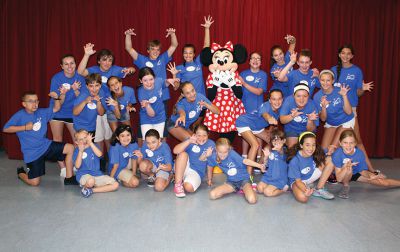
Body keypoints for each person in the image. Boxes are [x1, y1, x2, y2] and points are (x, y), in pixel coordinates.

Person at [3, 91, 78, 186]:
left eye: (36, 101)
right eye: (31, 101)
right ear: (24, 104)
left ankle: (69, 178)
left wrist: (56, 98)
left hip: (45, 146)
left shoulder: (42, 112)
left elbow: (56, 108)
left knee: (70, 148)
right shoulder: (19, 115)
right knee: (34, 183)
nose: (34, 104)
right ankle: (21, 173)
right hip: (32, 153)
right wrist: (24, 127)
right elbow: (6, 129)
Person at [77, 45, 135, 154]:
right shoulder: (93, 70)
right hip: (98, 108)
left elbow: (132, 69)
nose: (107, 63)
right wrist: (86, 55)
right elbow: (80, 72)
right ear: (99, 61)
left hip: (112, 108)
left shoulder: (115, 69)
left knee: (111, 136)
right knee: (99, 137)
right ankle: (101, 161)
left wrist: (130, 70)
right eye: (104, 60)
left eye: (110, 60)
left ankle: (112, 159)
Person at [125, 26, 178, 140]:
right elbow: (129, 49)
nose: (155, 51)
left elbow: (174, 45)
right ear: (148, 50)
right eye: (152, 49)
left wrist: (172, 34)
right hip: (147, 97)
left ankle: (161, 150)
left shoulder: (162, 58)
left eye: (158, 49)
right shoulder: (142, 60)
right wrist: (128, 35)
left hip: (162, 97)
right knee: (144, 128)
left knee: (162, 129)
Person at [331, 44, 375, 173]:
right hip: (335, 110)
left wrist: (363, 89)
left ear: (352, 56)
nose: (345, 56)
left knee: (356, 140)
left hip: (351, 110)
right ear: (339, 55)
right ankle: (334, 171)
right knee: (334, 142)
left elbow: (358, 93)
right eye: (343, 53)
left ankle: (370, 168)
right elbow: (327, 87)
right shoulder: (333, 70)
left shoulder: (356, 71)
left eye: (348, 53)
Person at [331, 130, 400, 199]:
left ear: (355, 143)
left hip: (356, 173)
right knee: (349, 169)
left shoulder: (359, 154)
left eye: (351, 143)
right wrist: (345, 167)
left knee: (383, 183)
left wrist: (371, 176)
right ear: (340, 143)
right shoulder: (337, 154)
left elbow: (362, 171)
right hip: (342, 174)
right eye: (345, 143)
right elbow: (339, 179)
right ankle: (346, 186)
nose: (348, 146)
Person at [48, 54, 85, 176]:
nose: (70, 66)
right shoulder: (56, 78)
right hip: (56, 111)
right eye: (66, 64)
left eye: (72, 63)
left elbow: (81, 99)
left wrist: (75, 90)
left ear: (75, 64)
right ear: (62, 66)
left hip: (72, 112)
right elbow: (59, 102)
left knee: (77, 140)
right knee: (57, 140)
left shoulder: (80, 78)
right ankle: (63, 168)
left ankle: (75, 164)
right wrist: (61, 94)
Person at [235, 89, 283, 176]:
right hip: (244, 122)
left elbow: (274, 121)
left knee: (274, 143)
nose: (277, 102)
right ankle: (248, 176)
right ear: (269, 100)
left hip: (257, 127)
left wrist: (271, 128)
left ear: (282, 99)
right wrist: (269, 119)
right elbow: (265, 114)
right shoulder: (266, 106)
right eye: (274, 99)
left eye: (279, 99)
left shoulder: (280, 109)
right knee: (255, 145)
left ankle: (260, 165)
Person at [205, 138, 264, 204]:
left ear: (229, 149)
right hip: (231, 182)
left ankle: (248, 188)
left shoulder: (232, 154)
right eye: (220, 152)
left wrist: (259, 165)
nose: (222, 155)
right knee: (212, 195)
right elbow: (209, 165)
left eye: (225, 152)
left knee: (252, 200)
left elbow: (245, 161)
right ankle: (237, 189)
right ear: (216, 149)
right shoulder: (214, 157)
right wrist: (209, 179)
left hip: (243, 180)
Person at [167, 15, 214, 96]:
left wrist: (207, 28)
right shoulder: (179, 68)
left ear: (194, 54)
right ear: (182, 54)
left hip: (201, 99)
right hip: (187, 101)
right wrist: (174, 74)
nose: (188, 55)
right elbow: (175, 88)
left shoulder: (198, 62)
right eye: (185, 52)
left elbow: (206, 46)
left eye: (190, 53)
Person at [313, 70, 354, 155]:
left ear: (333, 81)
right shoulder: (317, 96)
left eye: (328, 80)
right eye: (322, 80)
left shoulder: (340, 91)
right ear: (319, 80)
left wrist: (344, 96)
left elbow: (349, 112)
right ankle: (324, 167)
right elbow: (323, 119)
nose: (325, 83)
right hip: (332, 123)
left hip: (345, 121)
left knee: (332, 148)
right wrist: (323, 107)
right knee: (324, 150)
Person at [287, 132, 335, 203]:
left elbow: (329, 151)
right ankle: (306, 187)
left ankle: (319, 189)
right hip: (297, 181)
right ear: (301, 145)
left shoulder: (316, 151)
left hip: (310, 176)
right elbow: (298, 181)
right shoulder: (295, 160)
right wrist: (306, 190)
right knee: (303, 198)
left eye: (313, 145)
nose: (311, 148)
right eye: (307, 145)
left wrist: (331, 149)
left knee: (330, 159)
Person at [238, 51, 268, 163]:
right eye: (253, 58)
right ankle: (244, 157)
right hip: (244, 109)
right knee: (246, 134)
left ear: (260, 62)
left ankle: (259, 159)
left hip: (258, 110)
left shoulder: (263, 75)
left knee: (258, 134)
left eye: (258, 58)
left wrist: (244, 83)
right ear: (249, 61)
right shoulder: (243, 74)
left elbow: (259, 92)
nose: (255, 60)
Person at [172, 124, 215, 197]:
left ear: (208, 135)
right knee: (183, 154)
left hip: (196, 172)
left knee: (188, 188)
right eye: (199, 135)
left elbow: (210, 164)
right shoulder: (190, 140)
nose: (201, 138)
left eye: (204, 135)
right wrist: (188, 141)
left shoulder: (211, 144)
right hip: (183, 167)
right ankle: (178, 184)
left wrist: (209, 179)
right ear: (194, 135)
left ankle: (181, 180)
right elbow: (175, 151)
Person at [73, 129, 119, 198]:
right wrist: (80, 151)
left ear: (89, 137)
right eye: (80, 139)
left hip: (97, 174)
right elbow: (77, 166)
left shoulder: (94, 146)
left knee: (115, 185)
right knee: (91, 181)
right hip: (84, 175)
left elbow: (100, 155)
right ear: (76, 142)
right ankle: (86, 185)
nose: (84, 141)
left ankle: (92, 190)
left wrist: (91, 143)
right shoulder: (77, 151)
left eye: (85, 138)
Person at [137, 67, 177, 139]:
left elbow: (164, 84)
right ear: (140, 81)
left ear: (154, 78)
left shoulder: (158, 81)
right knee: (148, 141)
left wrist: (168, 81)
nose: (149, 83)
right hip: (147, 119)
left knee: (158, 141)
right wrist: (147, 105)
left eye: (151, 79)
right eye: (145, 80)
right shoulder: (141, 93)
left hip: (160, 117)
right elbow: (152, 114)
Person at [279, 83, 319, 147]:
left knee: (307, 149)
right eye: (298, 96)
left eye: (305, 96)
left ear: (308, 97)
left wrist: (310, 120)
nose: (301, 99)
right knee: (293, 150)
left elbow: (311, 130)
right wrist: (292, 116)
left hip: (306, 131)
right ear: (293, 96)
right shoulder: (288, 101)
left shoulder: (312, 105)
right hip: (292, 129)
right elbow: (282, 120)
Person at [256, 129, 289, 197]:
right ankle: (270, 186)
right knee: (259, 189)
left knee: (267, 192)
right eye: (274, 139)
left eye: (278, 139)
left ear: (284, 141)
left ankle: (282, 190)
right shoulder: (271, 151)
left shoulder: (285, 151)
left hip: (279, 178)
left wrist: (279, 149)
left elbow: (282, 154)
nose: (276, 141)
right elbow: (266, 165)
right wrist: (266, 158)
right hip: (269, 176)